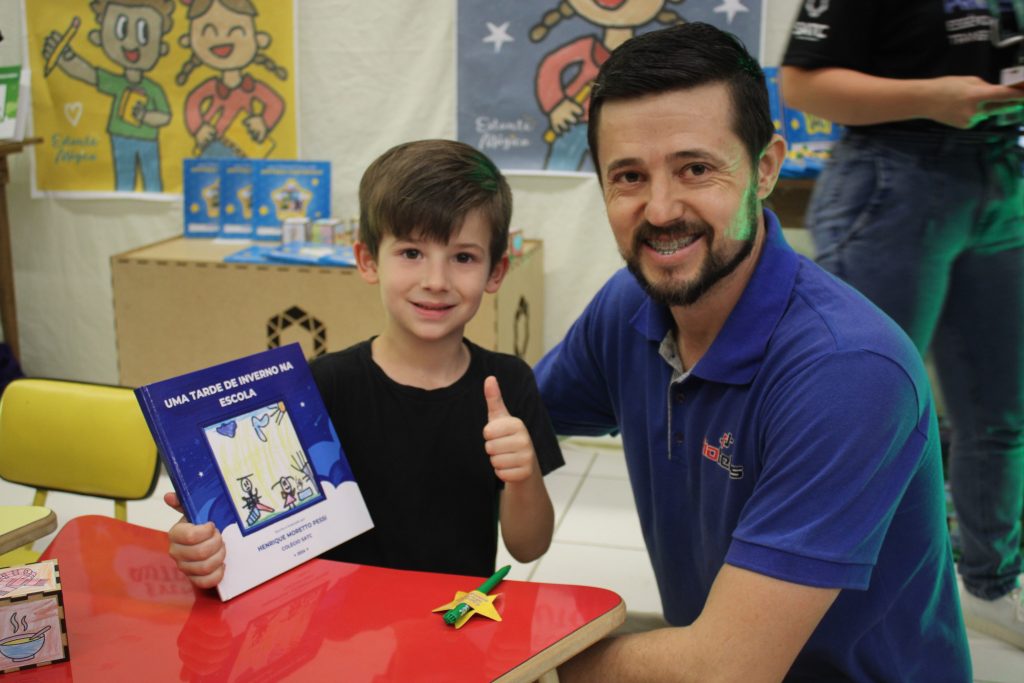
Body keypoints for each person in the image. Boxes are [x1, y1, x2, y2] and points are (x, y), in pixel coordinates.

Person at [535, 22, 971, 681]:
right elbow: (501, 415)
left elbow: (723, 667)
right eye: (628, 176)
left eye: (696, 168)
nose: (660, 209)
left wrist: (520, 660)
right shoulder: (628, 309)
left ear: (765, 168)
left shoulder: (849, 371)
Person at [167, 139, 563, 584]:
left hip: (456, 626)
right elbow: (262, 527)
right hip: (339, 628)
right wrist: (205, 541)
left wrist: (523, 474)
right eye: (412, 253)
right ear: (368, 260)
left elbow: (529, 547)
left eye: (463, 257)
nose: (436, 281)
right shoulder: (320, 386)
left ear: (496, 272)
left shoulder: (508, 384)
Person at [781, 0, 1024, 650]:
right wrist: (933, 96)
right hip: (895, 174)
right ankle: (831, 596)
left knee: (1001, 413)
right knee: (862, 416)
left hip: (1001, 174)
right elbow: (801, 82)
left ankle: (990, 584)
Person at [42, 0, 174, 192]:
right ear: (99, 37)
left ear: (161, 47)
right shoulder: (116, 82)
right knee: (124, 181)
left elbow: (165, 116)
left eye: (144, 33)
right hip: (120, 138)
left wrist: (145, 116)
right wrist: (65, 58)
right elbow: (87, 73)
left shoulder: (153, 88)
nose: (130, 43)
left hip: (147, 141)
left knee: (152, 179)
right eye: (121, 29)